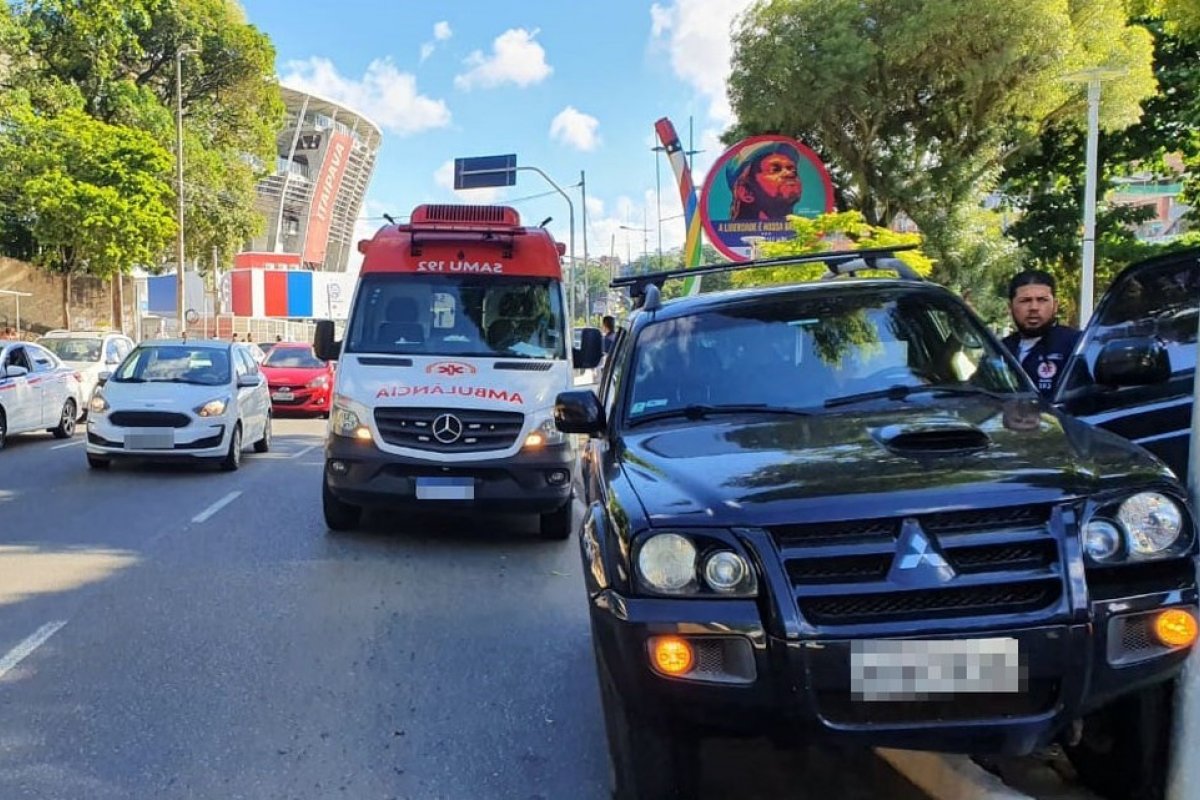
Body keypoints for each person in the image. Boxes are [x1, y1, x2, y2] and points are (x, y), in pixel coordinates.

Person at [1000, 269, 1080, 400]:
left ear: (1055, 305)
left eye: (1042, 300)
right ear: (1010, 307)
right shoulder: (1000, 350)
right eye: (1025, 300)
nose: (1034, 307)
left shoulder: (1076, 345)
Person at [726, 141, 803, 221]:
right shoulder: (732, 233)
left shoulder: (808, 230)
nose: (790, 173)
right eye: (775, 169)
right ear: (746, 192)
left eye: (793, 169)